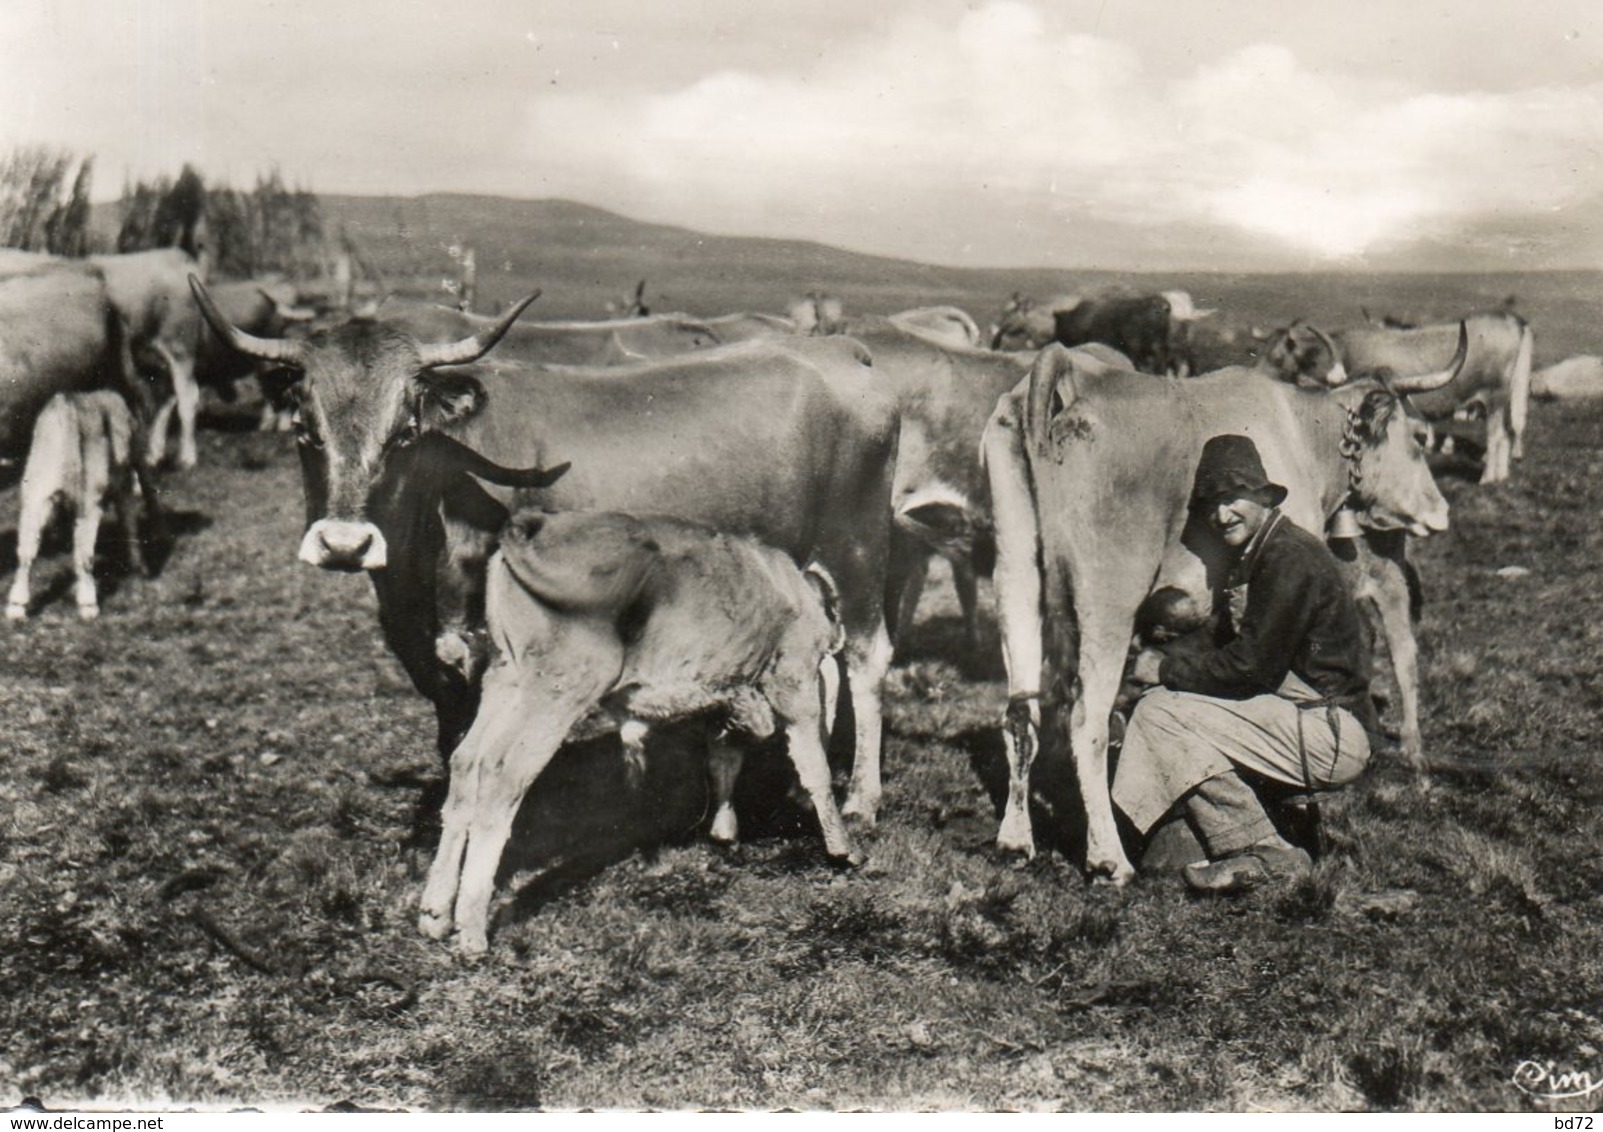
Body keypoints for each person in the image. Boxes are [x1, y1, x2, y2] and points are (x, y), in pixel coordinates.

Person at [1114, 434, 1379, 893]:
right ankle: (1200, 836)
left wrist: (1162, 671)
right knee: (1166, 706)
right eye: (1213, 502)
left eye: (1234, 497)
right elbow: (1231, 650)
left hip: (1329, 732)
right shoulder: (1263, 553)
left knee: (1160, 714)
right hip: (1308, 720)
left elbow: (1250, 668)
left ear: (1263, 495)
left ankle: (1259, 848)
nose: (1222, 514)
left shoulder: (1288, 557)